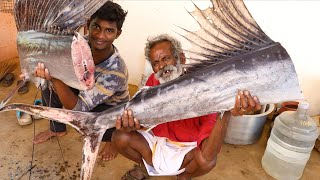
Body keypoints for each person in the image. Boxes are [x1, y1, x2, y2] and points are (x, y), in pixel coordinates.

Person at [112, 34, 261, 180]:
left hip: (187, 147)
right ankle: (144, 166)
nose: (162, 66)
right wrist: (133, 124)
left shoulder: (203, 86)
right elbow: (144, 119)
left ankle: (184, 175)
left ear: (181, 58)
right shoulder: (154, 80)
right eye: (156, 63)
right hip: (157, 140)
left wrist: (225, 112)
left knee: (206, 161)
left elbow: (209, 152)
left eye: (166, 58)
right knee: (120, 137)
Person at [32, 1, 128, 161]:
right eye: (96, 27)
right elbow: (55, 58)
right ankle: (57, 129)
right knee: (47, 85)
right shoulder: (79, 43)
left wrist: (55, 76)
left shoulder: (116, 70)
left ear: (118, 33)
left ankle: (111, 140)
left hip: (109, 107)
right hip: (83, 89)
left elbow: (78, 108)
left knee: (89, 121)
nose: (100, 36)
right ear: (88, 24)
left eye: (109, 31)